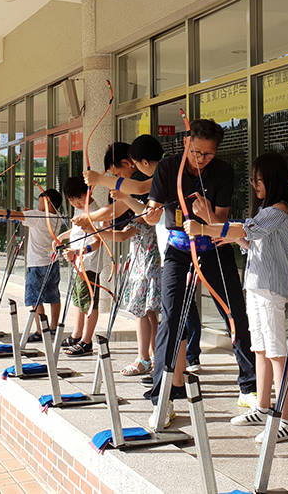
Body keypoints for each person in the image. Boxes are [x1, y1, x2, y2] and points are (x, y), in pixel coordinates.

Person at [143, 119, 257, 428]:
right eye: (196, 152)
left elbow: (220, 220)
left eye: (207, 154)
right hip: (179, 251)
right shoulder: (168, 168)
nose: (201, 159)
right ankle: (163, 397)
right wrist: (153, 210)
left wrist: (206, 217)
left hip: (215, 248)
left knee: (235, 313)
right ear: (185, 143)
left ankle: (250, 386)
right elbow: (154, 204)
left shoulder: (223, 172)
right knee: (170, 318)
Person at [185, 152, 288, 443]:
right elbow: (248, 240)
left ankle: (284, 419)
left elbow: (248, 230)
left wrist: (206, 226)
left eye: (259, 180)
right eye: (253, 180)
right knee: (260, 349)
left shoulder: (279, 209)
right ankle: (262, 407)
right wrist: (220, 229)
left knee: (275, 353)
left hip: (270, 288)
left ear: (273, 179)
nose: (255, 185)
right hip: (257, 286)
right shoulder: (266, 210)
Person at [86, 141, 202, 373]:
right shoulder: (163, 172)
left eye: (133, 166)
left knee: (178, 307)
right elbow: (145, 211)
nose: (135, 170)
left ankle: (183, 358)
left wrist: (99, 180)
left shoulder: (166, 170)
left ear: (140, 162)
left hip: (174, 247)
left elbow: (137, 193)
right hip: (165, 248)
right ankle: (164, 361)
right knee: (163, 308)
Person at [92, 135, 165, 376]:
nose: (121, 180)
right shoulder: (140, 183)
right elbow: (124, 228)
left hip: (151, 255)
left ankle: (146, 357)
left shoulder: (145, 182)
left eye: (118, 173)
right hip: (141, 256)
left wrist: (101, 183)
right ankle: (151, 356)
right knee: (145, 309)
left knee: (143, 308)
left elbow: (142, 212)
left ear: (134, 162)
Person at [0, 188, 64, 341]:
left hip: (37, 264)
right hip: (52, 262)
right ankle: (53, 327)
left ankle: (41, 331)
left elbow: (11, 214)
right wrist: (30, 212)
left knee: (35, 298)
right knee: (53, 296)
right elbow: (35, 216)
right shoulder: (57, 217)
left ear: (46, 201)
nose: (37, 204)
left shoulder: (37, 216)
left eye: (39, 201)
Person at [55, 176, 103, 357]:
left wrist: (77, 253)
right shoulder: (79, 211)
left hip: (88, 264)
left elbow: (99, 241)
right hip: (77, 264)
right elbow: (76, 231)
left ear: (88, 193)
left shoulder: (96, 211)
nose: (76, 203)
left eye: (79, 199)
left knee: (89, 303)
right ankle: (77, 335)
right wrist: (61, 237)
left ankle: (87, 341)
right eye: (71, 200)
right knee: (78, 300)